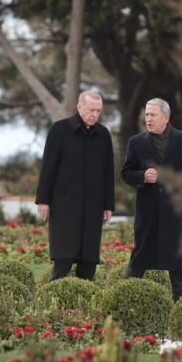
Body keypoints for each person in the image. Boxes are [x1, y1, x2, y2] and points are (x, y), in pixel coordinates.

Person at [121, 98, 182, 301]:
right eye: (146, 115)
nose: (148, 119)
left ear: (166, 117)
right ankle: (125, 299)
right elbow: (126, 173)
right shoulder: (136, 143)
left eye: (152, 115)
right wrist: (142, 176)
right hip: (148, 212)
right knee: (138, 260)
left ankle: (180, 307)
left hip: (176, 212)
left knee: (178, 263)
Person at [36, 91, 114, 280]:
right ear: (79, 107)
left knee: (88, 262)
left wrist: (108, 205)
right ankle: (52, 303)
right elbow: (48, 168)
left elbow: (108, 172)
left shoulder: (103, 135)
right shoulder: (59, 131)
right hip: (64, 205)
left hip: (93, 207)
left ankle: (85, 305)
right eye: (90, 110)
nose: (94, 114)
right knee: (64, 258)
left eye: (98, 111)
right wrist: (43, 200)